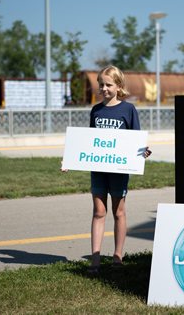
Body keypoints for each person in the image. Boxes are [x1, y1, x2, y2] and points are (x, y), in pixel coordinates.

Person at [64, 65, 151, 273]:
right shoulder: (96, 110)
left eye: (108, 84)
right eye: (101, 84)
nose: (104, 88)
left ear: (119, 86)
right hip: (98, 170)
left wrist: (143, 151)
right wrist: (70, 159)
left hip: (119, 171)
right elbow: (89, 142)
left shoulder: (128, 110)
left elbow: (135, 140)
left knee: (119, 212)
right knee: (98, 212)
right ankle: (95, 259)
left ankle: (117, 256)